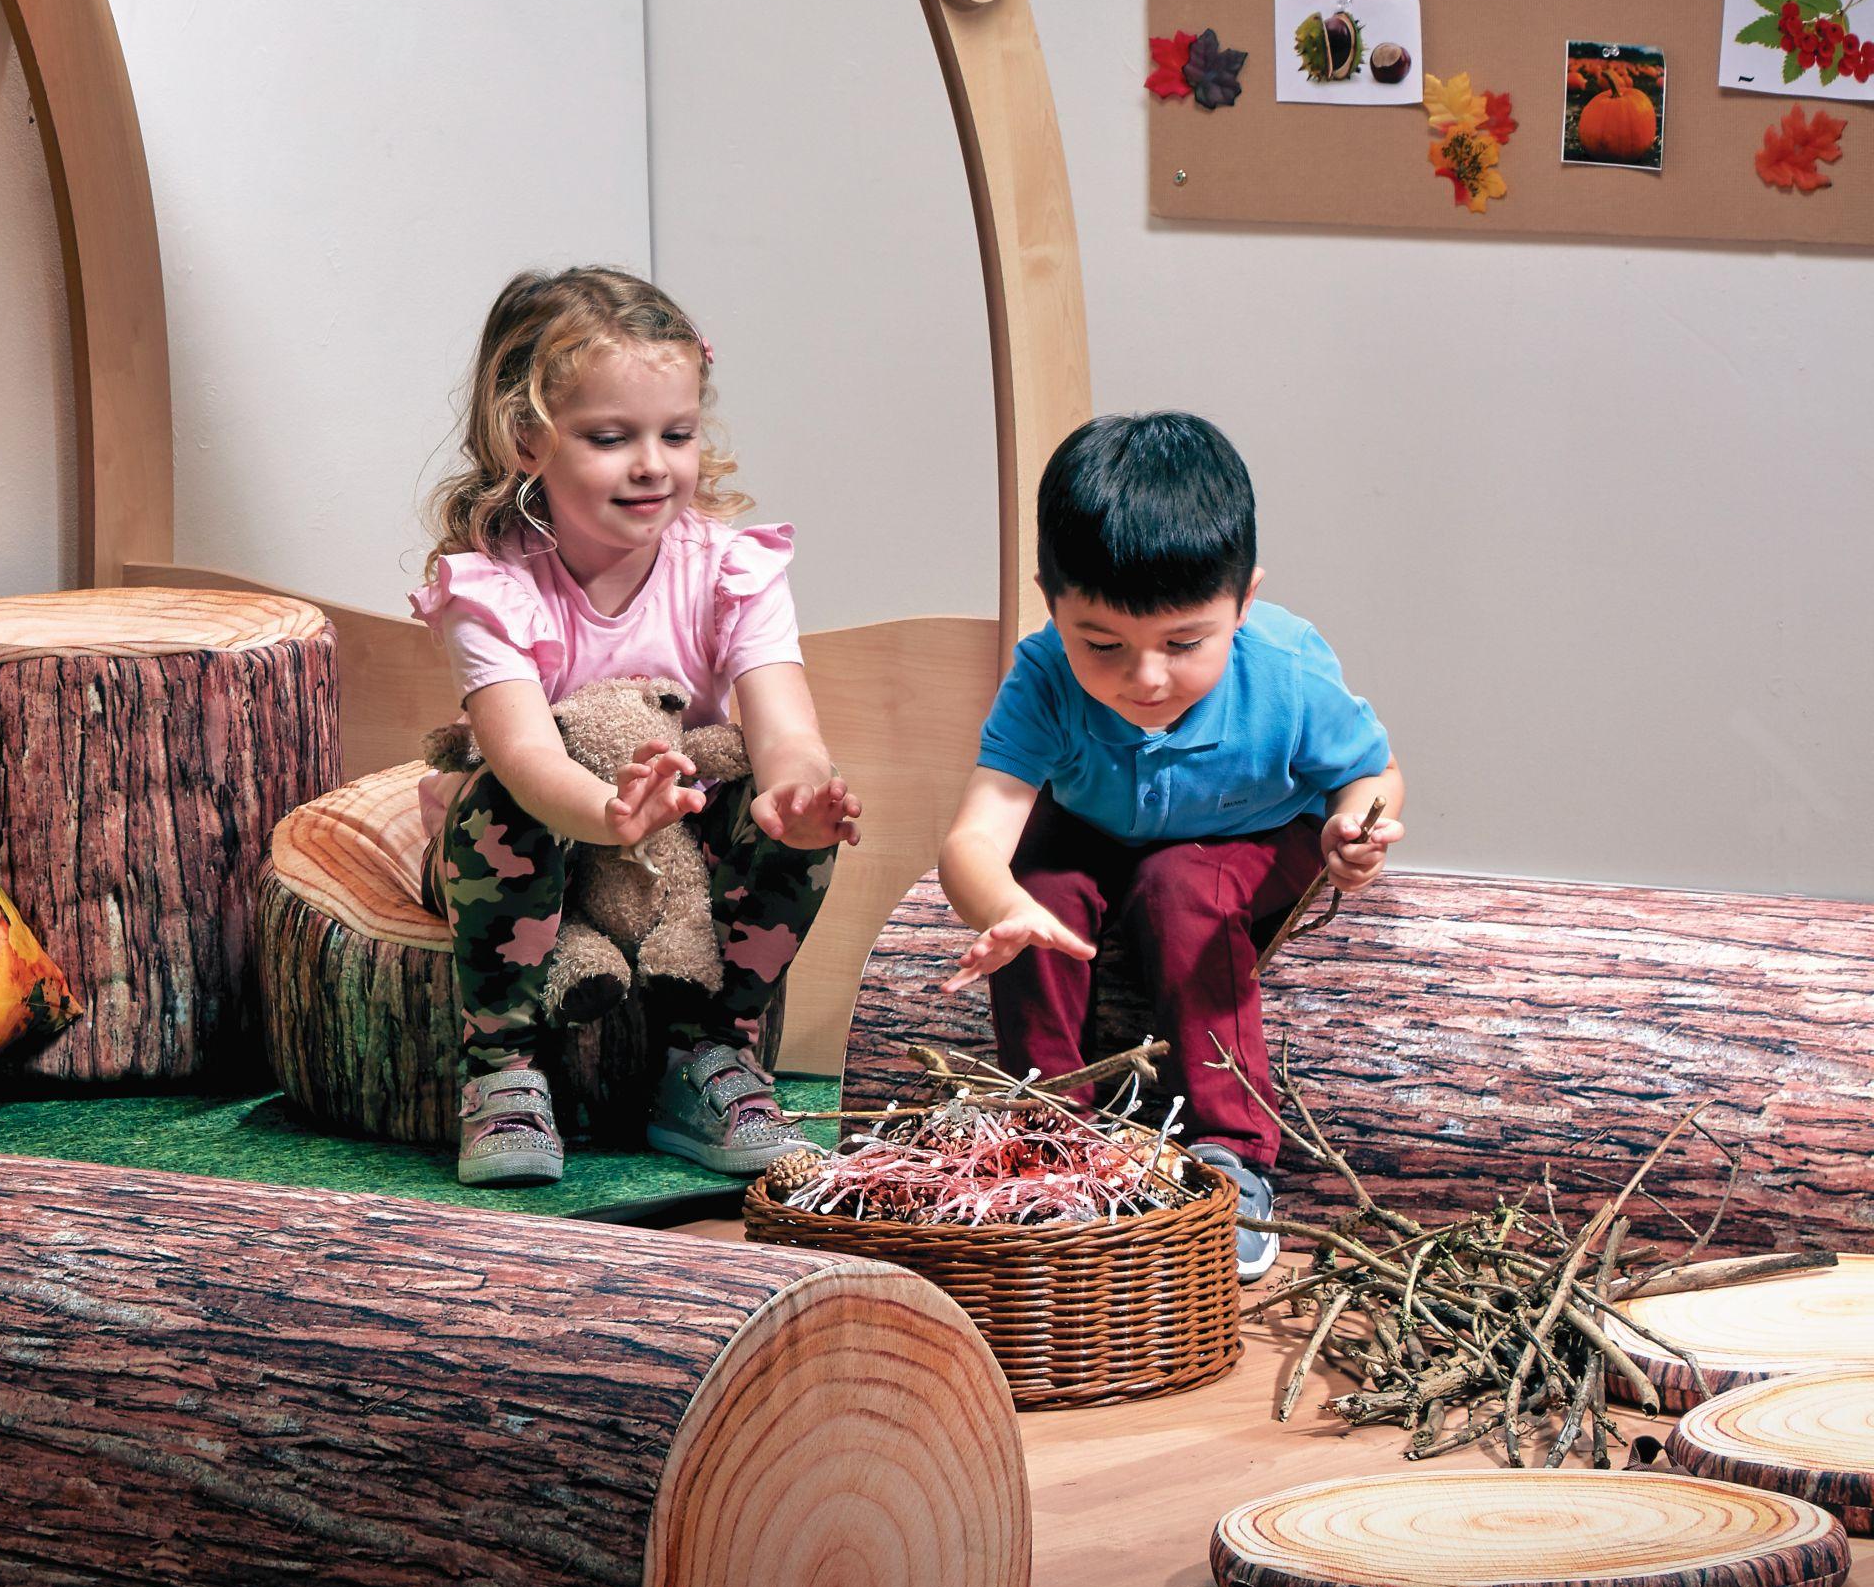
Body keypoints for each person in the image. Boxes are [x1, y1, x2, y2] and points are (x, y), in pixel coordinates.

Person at [412, 268, 859, 1188]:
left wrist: (797, 795)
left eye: (677, 434)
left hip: (674, 855)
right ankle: (501, 1070)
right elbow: (526, 755)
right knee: (500, 805)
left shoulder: (730, 569)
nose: (653, 463)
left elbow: (782, 727)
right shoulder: (493, 588)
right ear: (528, 439)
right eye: (611, 438)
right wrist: (608, 815)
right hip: (549, 841)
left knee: (780, 818)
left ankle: (708, 1057)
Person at [935, 413, 1402, 1281]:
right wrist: (1000, 908)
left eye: (1185, 644)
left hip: (1251, 832)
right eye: (1101, 644)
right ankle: (1052, 1140)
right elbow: (975, 833)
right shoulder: (1042, 677)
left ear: (1244, 602)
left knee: (1180, 884)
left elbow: (1372, 773)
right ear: (1052, 601)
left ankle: (1233, 1155)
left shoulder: (1288, 672)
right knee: (1040, 886)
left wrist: (1356, 829)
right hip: (1098, 826)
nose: (1145, 679)